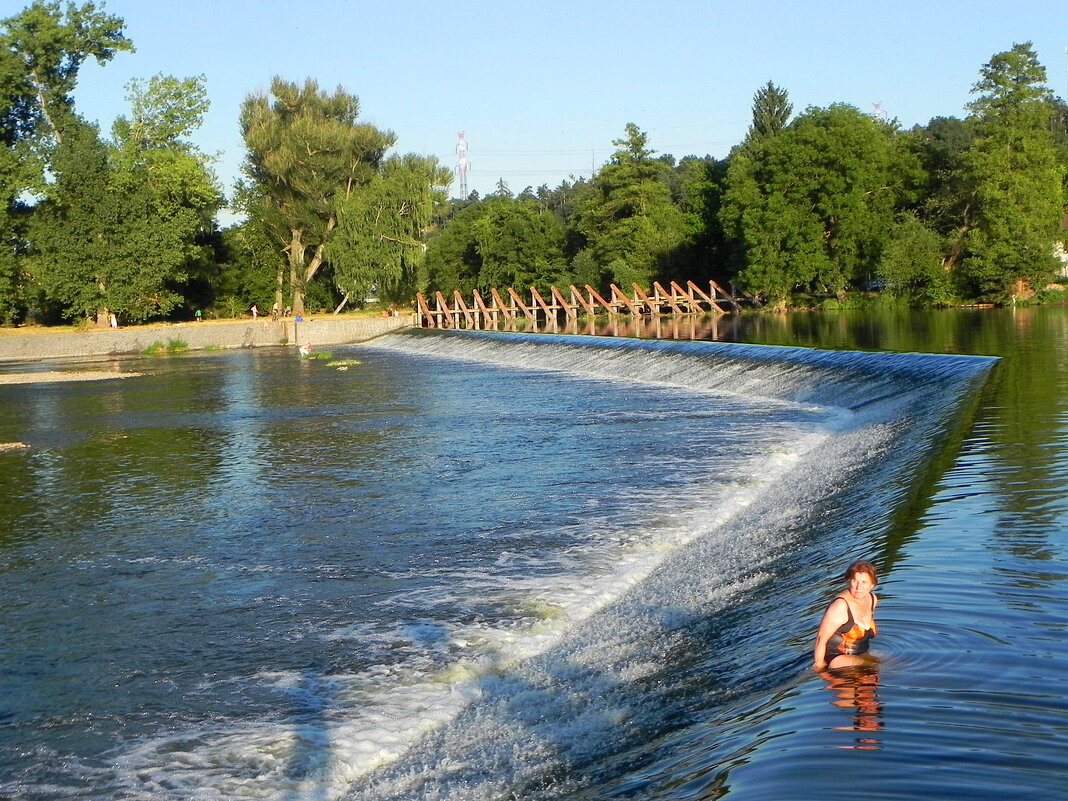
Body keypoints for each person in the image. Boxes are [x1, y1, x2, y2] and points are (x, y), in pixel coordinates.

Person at [813, 560, 878, 671]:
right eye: (854, 581)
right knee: (875, 666)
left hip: (860, 654)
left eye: (864, 582)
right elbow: (821, 638)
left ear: (872, 585)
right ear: (849, 581)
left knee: (899, 663)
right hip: (836, 658)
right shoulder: (840, 605)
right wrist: (819, 666)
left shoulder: (872, 599)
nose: (858, 587)